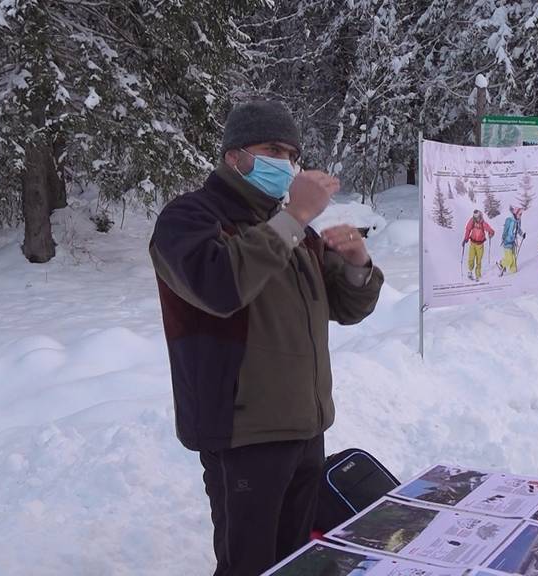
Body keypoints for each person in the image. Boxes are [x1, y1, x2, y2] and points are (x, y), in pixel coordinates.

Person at [149, 100, 384, 576]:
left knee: (296, 560)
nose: (287, 163)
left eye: (293, 154)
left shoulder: (290, 230)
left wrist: (358, 264)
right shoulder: (190, 218)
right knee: (248, 565)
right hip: (243, 433)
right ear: (235, 155)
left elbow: (346, 307)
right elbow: (219, 286)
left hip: (305, 426)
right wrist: (294, 215)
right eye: (273, 148)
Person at [462, 209, 494, 281]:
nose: (476, 219)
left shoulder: (483, 223)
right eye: (475, 217)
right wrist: (465, 239)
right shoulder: (472, 221)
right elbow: (468, 229)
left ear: (480, 216)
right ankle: (470, 272)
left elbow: (489, 229)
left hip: (480, 244)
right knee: (471, 259)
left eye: (477, 217)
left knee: (478, 260)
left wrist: (491, 233)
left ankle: (478, 275)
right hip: (472, 243)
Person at [498, 206, 525, 275]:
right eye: (520, 214)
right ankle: (500, 263)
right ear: (515, 214)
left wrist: (522, 234)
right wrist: (504, 239)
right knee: (509, 259)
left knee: (513, 258)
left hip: (513, 242)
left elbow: (518, 230)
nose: (521, 216)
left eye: (521, 214)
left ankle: (513, 273)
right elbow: (505, 231)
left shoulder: (518, 221)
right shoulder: (510, 220)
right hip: (507, 241)